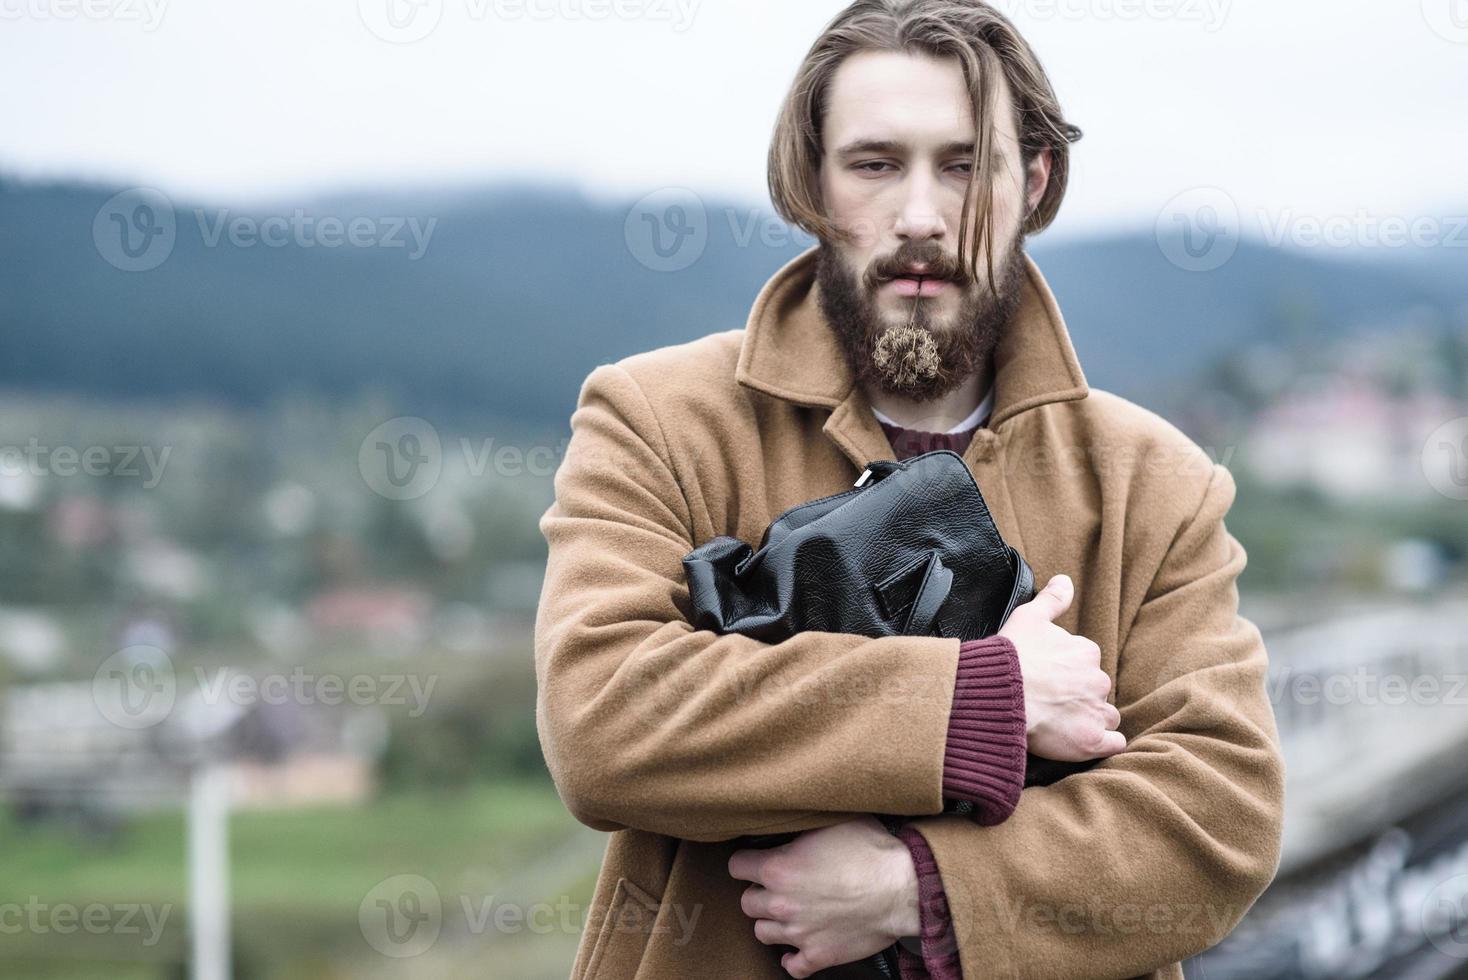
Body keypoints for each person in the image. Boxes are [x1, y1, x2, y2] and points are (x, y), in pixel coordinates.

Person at [533, 2, 1285, 977]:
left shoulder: (1157, 483)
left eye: (965, 165)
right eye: (875, 163)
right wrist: (986, 700)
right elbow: (605, 723)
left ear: (1034, 180)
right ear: (812, 180)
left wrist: (917, 887)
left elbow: (1216, 818)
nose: (922, 215)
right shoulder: (656, 419)